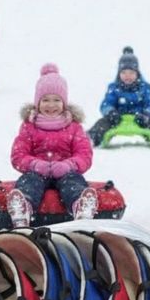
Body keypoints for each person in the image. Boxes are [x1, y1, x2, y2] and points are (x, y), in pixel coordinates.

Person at [5, 63, 98, 227]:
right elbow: (18, 155)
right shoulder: (29, 126)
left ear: (64, 103)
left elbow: (84, 154)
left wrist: (68, 165)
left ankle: (80, 206)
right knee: (29, 182)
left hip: (66, 172)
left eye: (56, 100)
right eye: (45, 100)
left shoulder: (74, 127)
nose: (51, 105)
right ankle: (22, 209)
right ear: (37, 103)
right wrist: (34, 164)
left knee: (73, 182)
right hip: (37, 172)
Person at [87, 46, 150, 147]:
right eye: (124, 73)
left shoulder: (144, 87)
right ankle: (91, 138)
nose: (127, 76)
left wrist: (147, 114)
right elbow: (106, 103)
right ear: (118, 74)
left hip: (140, 119)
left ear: (137, 73)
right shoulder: (114, 88)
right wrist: (111, 112)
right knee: (102, 123)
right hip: (117, 119)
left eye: (131, 73)